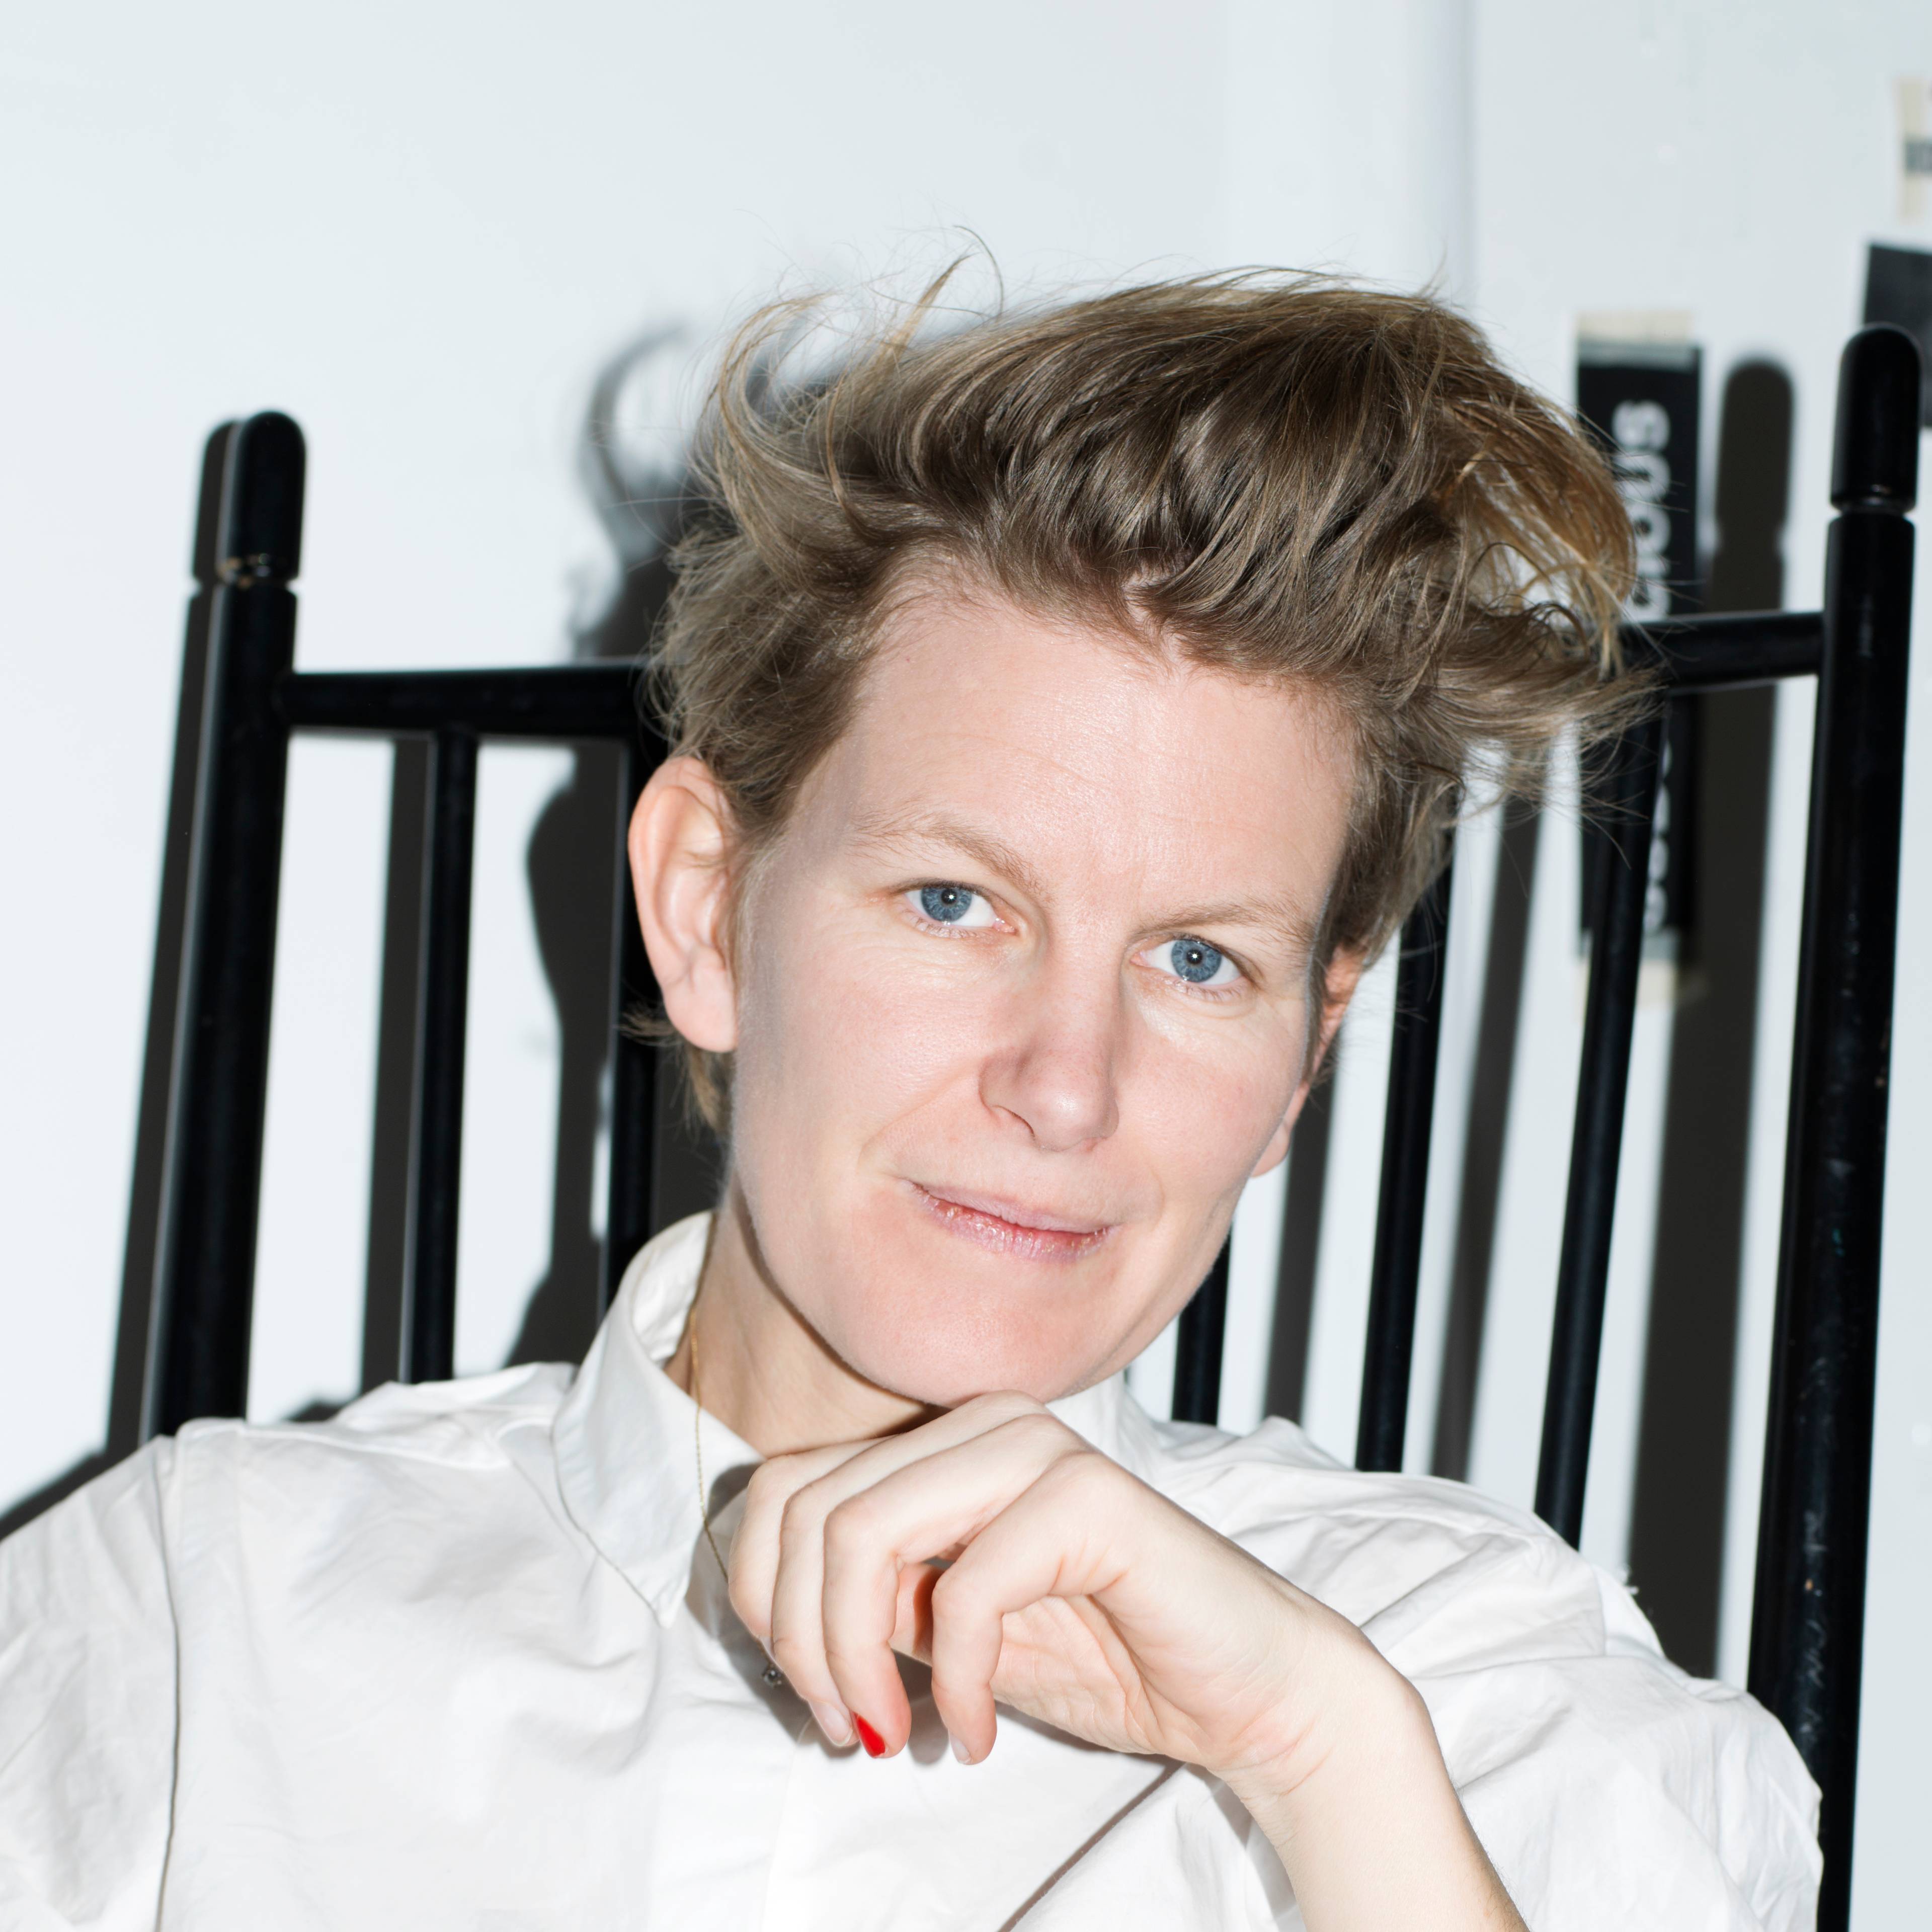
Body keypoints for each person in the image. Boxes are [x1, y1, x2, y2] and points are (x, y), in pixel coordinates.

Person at [0, 273, 1818, 1930]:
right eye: (958, 904)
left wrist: (1319, 1756)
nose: (1065, 1086)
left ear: (1305, 1063)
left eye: (1200, 961)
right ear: (707, 907)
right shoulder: (198, 1612)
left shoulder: (1460, 1683)